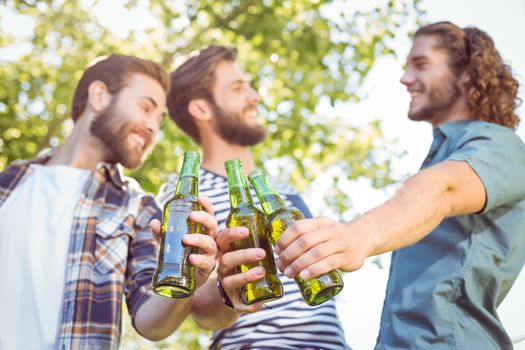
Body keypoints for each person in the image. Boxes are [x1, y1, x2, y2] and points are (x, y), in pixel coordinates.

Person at [274, 21, 525, 349]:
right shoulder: (441, 154)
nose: (405, 78)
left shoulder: (500, 144)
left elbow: (442, 189)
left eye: (421, 65)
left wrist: (356, 236)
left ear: (466, 73)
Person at [0, 54, 219, 349]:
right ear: (100, 96)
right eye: (146, 108)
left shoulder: (137, 207)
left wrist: (187, 282)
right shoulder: (10, 182)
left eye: (159, 120)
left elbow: (151, 321)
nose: (154, 127)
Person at [158, 45, 350, 349]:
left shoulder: (285, 191)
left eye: (250, 85)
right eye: (238, 88)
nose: (254, 96)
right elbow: (199, 309)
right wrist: (226, 292)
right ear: (201, 109)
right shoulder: (186, 196)